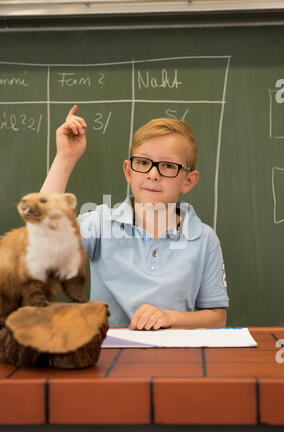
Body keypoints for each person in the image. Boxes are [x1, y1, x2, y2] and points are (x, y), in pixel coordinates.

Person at [40, 105, 229, 329]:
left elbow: (217, 318)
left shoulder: (204, 239)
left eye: (168, 166)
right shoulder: (101, 224)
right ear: (129, 171)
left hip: (176, 357)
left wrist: (171, 317)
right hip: (107, 355)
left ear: (188, 181)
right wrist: (65, 158)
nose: (153, 174)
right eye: (143, 163)